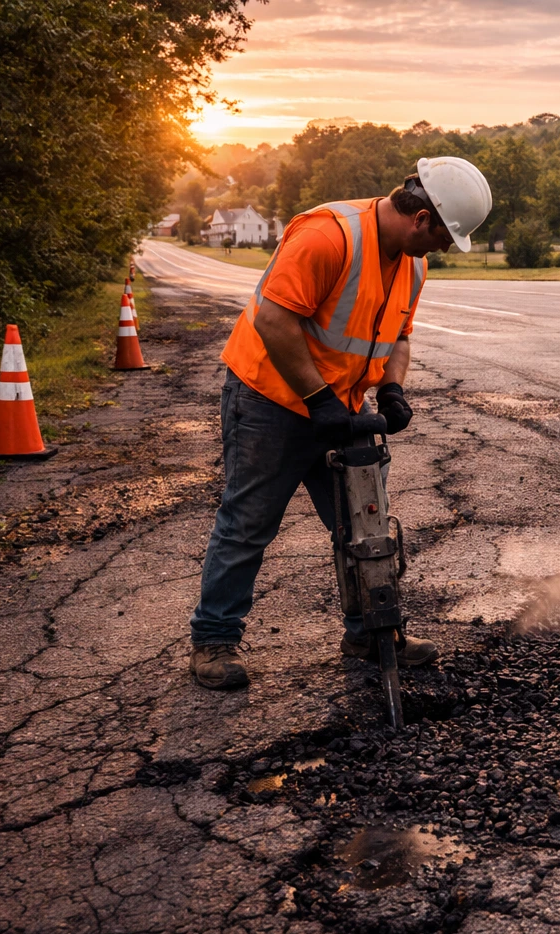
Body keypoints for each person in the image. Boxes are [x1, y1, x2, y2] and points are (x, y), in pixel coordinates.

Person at [188, 157, 492, 690]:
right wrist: (319, 400)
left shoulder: (413, 263)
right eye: (446, 237)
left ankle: (372, 634)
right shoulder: (327, 237)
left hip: (342, 406)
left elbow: (399, 336)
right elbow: (274, 320)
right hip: (271, 400)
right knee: (248, 523)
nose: (446, 249)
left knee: (364, 527)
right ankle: (214, 640)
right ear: (421, 219)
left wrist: (391, 387)